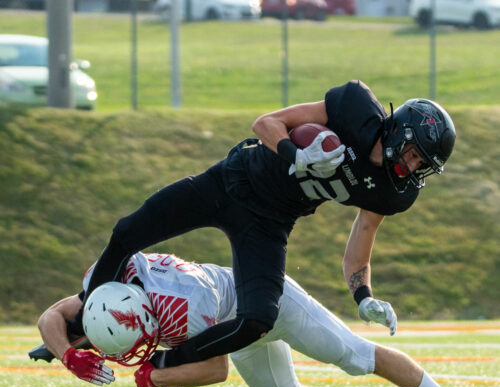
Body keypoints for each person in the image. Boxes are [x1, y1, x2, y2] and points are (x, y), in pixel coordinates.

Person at [71, 80, 457, 372]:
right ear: (399, 130)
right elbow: (266, 123)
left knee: (257, 320)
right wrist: (296, 154)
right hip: (231, 182)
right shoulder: (355, 108)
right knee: (126, 233)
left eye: (423, 165)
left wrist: (364, 296)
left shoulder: (393, 192)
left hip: (270, 221)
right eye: (414, 155)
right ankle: (83, 325)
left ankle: (164, 365)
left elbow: (362, 244)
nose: (413, 167)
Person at [36, 252, 484, 387]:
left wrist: (156, 378)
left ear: (146, 316)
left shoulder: (184, 307)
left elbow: (215, 368)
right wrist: (69, 354)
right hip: (232, 324)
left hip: (269, 302)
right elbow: (52, 316)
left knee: (355, 356)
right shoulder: (104, 288)